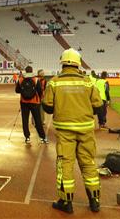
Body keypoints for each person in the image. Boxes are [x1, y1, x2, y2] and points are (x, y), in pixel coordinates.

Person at [42, 48, 103, 214]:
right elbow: (98, 106)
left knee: (65, 164)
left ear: (62, 63)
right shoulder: (88, 81)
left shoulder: (54, 82)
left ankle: (66, 202)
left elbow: (47, 107)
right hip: (86, 130)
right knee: (89, 163)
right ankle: (94, 201)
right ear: (78, 63)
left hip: (64, 131)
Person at [15, 66, 48, 144]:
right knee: (38, 120)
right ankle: (43, 138)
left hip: (24, 103)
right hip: (35, 102)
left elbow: (17, 90)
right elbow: (40, 91)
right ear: (32, 71)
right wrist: (39, 99)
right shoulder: (36, 79)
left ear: (25, 71)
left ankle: (27, 137)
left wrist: (24, 92)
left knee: (25, 120)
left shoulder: (20, 79)